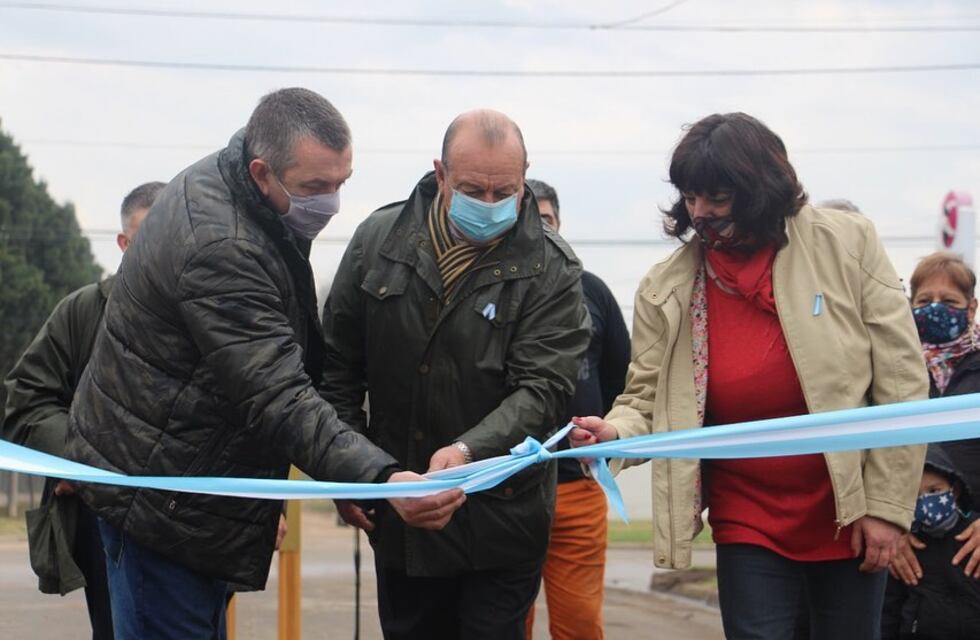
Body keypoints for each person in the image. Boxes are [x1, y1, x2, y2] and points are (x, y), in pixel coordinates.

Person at [63, 88, 465, 640]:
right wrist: (379, 476)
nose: (331, 203)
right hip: (162, 503)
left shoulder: (238, 196)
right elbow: (276, 394)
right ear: (261, 172)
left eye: (341, 183)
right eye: (315, 188)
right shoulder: (220, 244)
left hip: (185, 484)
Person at [570, 112, 928, 640]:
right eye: (691, 198)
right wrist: (613, 434)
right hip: (747, 514)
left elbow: (901, 382)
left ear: (762, 188)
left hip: (849, 506)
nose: (701, 213)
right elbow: (644, 399)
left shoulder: (848, 244)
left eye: (717, 197)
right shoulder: (666, 288)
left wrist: (888, 508)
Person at [321, 109, 591, 639]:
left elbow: (544, 389)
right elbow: (338, 366)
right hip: (402, 512)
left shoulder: (552, 267)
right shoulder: (379, 241)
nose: (489, 205)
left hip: (503, 521)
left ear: (524, 175)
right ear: (441, 174)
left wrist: (469, 452)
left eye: (504, 191)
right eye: (472, 189)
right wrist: (351, 470)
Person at [2, 181, 163, 639]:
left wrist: (264, 509)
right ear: (123, 243)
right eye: (144, 239)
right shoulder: (82, 313)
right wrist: (76, 458)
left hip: (193, 518)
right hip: (103, 515)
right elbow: (26, 399)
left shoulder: (211, 314)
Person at [524, 178, 630, 640]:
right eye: (529, 221)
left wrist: (601, 434)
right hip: (505, 493)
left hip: (578, 488)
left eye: (546, 220)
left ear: (559, 224)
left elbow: (621, 382)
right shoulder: (486, 294)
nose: (539, 230)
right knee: (503, 623)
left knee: (581, 624)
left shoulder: (594, 292)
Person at [890, 252, 980, 587]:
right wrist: (887, 525)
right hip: (899, 545)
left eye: (949, 300)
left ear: (971, 308)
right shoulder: (891, 367)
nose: (935, 307)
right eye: (925, 300)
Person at [881, 445, 980, 639]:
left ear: (955, 490)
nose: (925, 502)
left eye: (934, 490)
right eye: (914, 496)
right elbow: (888, 610)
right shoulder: (901, 545)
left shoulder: (973, 533)